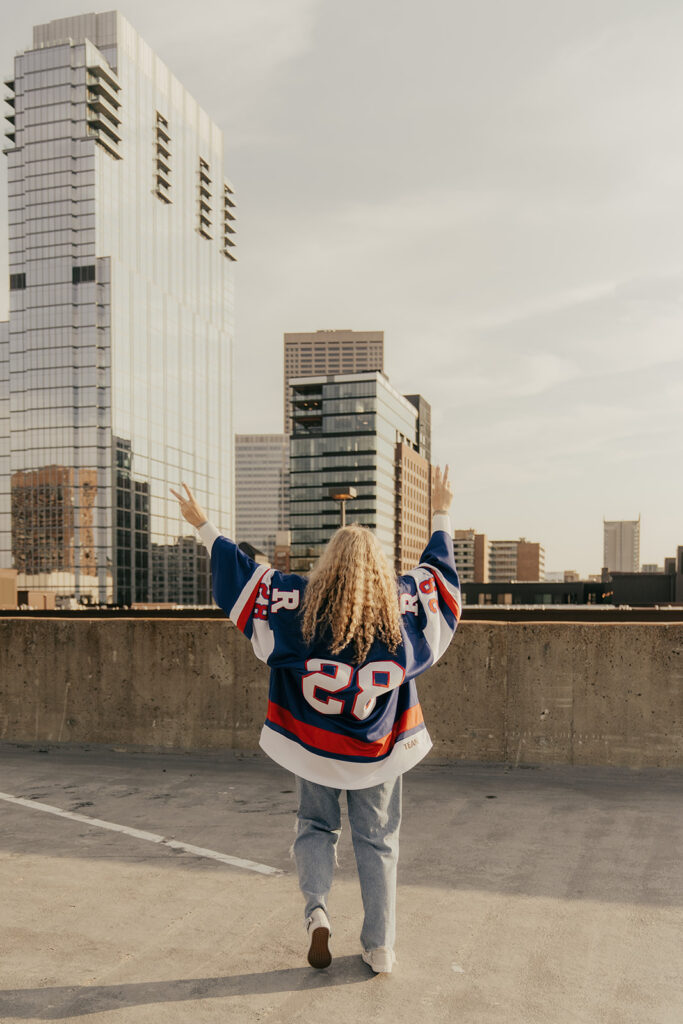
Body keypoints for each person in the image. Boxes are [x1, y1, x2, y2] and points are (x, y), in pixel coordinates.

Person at [170, 466, 460, 974]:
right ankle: (380, 945)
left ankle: (317, 911)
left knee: (315, 826)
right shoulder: (401, 607)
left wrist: (204, 526)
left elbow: (242, 576)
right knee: (378, 839)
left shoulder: (296, 602)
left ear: (331, 561)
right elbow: (439, 577)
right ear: (378, 568)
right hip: (377, 753)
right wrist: (441, 512)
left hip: (314, 744)